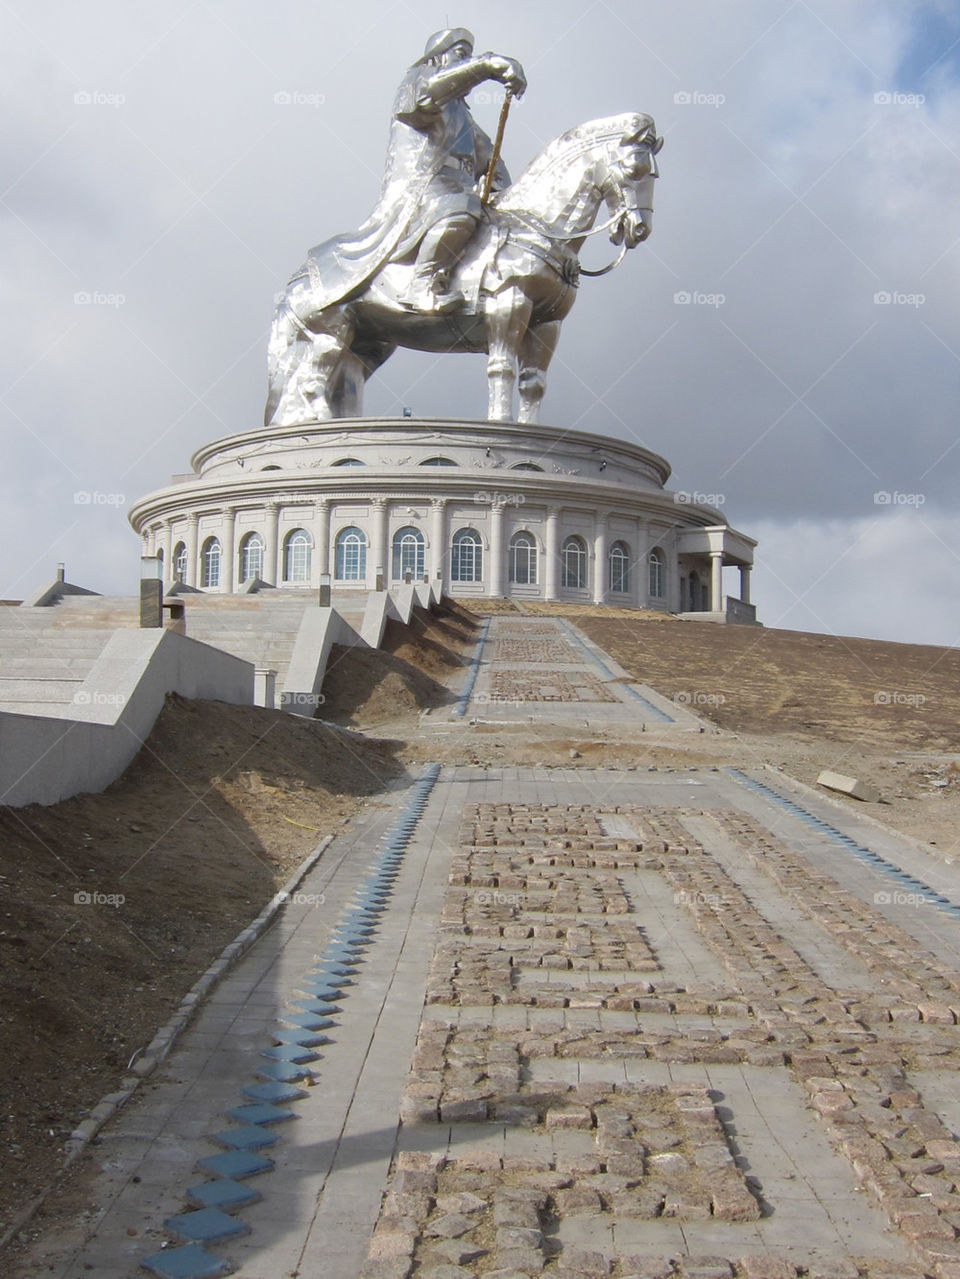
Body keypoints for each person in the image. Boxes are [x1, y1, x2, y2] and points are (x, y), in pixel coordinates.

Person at [305, 29, 526, 314]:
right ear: (437, 58)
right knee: (461, 210)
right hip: (425, 188)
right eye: (460, 55)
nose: (465, 62)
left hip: (460, 188)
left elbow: (491, 159)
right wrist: (486, 65)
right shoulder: (417, 83)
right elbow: (430, 95)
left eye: (469, 58)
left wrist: (502, 194)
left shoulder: (466, 118)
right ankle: (423, 285)